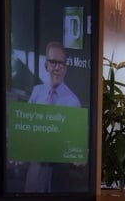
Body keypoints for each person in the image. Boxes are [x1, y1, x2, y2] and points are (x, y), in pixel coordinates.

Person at [24, 41, 82, 192]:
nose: (57, 67)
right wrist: (18, 149)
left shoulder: (73, 101)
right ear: (46, 65)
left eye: (61, 63)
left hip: (60, 170)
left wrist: (79, 155)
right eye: (53, 62)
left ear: (65, 68)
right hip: (36, 166)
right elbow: (25, 128)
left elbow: (75, 140)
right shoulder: (36, 92)